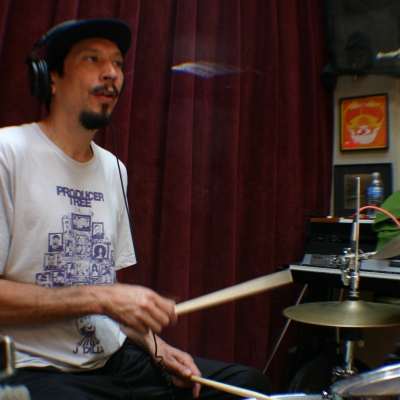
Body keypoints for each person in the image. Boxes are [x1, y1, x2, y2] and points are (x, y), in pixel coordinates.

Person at [0, 18, 271, 399]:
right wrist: (103, 297)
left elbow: (107, 290)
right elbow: (104, 296)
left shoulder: (113, 170)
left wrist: (158, 347)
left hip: (115, 362)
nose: (110, 73)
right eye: (92, 59)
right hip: (36, 368)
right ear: (50, 79)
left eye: (117, 63)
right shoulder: (7, 153)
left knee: (247, 387)